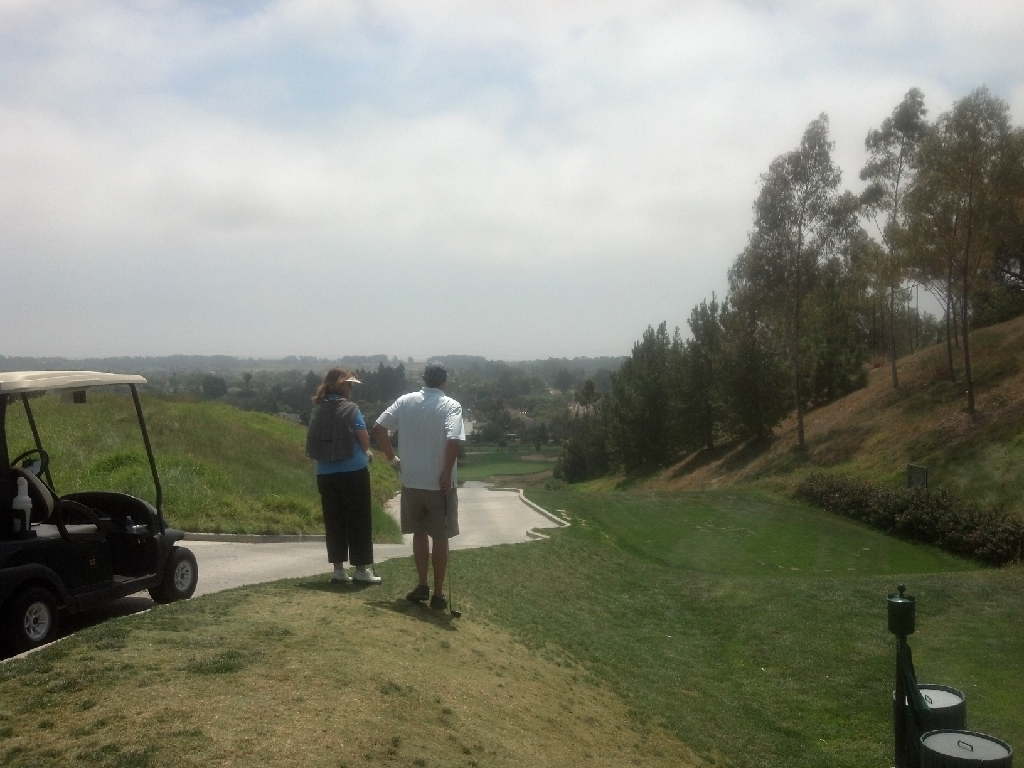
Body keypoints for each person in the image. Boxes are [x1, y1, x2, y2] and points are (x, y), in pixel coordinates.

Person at [373, 361, 465, 610]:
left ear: (424, 378)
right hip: (440, 485)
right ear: (444, 380)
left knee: (419, 534)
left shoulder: (405, 401)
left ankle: (422, 585)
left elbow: (379, 428)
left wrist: (392, 460)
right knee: (441, 537)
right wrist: (446, 473)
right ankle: (437, 594)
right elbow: (454, 440)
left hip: (412, 481)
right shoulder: (451, 406)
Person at [306, 367, 381, 585]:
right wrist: (366, 452)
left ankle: (338, 570)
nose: (351, 388)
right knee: (359, 519)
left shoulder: (318, 408)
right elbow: (364, 439)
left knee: (334, 520)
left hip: (325, 473)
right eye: (349, 384)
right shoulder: (350, 409)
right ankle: (361, 570)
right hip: (353, 471)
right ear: (340, 385)